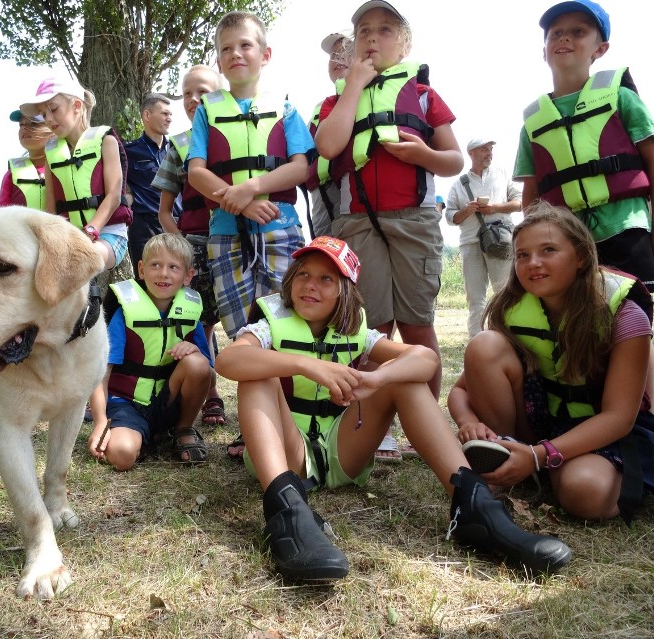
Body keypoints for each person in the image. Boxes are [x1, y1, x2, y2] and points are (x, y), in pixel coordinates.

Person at [216, 235, 572, 582]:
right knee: (256, 372)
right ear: (291, 281)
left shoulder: (355, 327)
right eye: (304, 274)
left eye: (327, 279)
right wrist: (304, 365)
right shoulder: (270, 321)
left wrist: (374, 380)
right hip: (287, 455)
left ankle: (474, 507)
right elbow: (229, 360)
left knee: (405, 378)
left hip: (344, 452)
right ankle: (286, 513)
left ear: (345, 291)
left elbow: (426, 359)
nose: (312, 285)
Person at [315, 0, 463, 463]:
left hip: (414, 220)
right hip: (357, 221)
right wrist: (354, 84)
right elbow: (329, 144)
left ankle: (427, 425)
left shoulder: (423, 93)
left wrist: (423, 156)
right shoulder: (339, 95)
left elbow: (454, 160)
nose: (372, 38)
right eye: (363, 31)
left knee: (417, 326)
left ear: (404, 42)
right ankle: (375, 426)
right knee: (371, 328)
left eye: (384, 29)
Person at [448, 203, 654, 523]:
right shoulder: (511, 311)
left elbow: (618, 418)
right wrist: (467, 422)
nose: (534, 263)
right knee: (483, 345)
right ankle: (511, 457)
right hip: (542, 425)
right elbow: (459, 392)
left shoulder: (626, 316)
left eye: (548, 250)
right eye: (522, 255)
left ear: (581, 257)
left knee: (584, 493)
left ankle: (539, 467)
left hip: (605, 432)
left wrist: (538, 456)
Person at [187, 10, 314, 343]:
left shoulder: (284, 109)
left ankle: (287, 394)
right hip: (226, 237)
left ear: (265, 54)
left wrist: (251, 189)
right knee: (243, 333)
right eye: (226, 49)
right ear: (218, 60)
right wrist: (242, 205)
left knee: (291, 326)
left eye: (245, 45)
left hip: (280, 230)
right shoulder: (206, 110)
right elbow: (196, 172)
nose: (235, 54)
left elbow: (301, 166)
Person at [515, 0, 654, 296]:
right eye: (556, 33)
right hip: (566, 241)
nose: (564, 38)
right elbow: (532, 195)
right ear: (544, 51)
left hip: (626, 229)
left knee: (636, 318)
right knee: (579, 322)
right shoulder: (532, 122)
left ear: (600, 48)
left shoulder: (621, 98)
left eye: (578, 31)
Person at [88, 233, 214, 469]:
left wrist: (194, 348)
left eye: (173, 267)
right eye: (156, 265)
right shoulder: (125, 312)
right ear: (142, 269)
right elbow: (100, 373)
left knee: (197, 362)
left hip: (168, 402)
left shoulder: (190, 311)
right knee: (122, 455)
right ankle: (137, 435)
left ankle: (183, 429)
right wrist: (100, 422)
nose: (163, 273)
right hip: (127, 404)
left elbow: (206, 372)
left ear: (188, 276)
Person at [152, 65, 226, 427]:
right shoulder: (179, 146)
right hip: (194, 245)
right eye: (186, 94)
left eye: (204, 91)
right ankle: (211, 394)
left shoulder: (237, 132)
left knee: (244, 323)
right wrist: (182, 248)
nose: (194, 100)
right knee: (202, 322)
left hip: (235, 242)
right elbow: (165, 211)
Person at [19, 76, 132, 272]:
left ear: (77, 106)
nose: (49, 119)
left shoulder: (106, 141)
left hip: (109, 235)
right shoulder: (52, 154)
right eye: (43, 114)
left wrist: (90, 230)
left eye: (53, 109)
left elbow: (114, 196)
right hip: (69, 237)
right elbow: (50, 210)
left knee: (83, 258)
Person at [446, 139, 522, 339]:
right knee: (475, 298)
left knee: (505, 292)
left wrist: (496, 207)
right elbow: (450, 217)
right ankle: (476, 343)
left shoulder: (503, 174)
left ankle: (508, 339)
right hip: (470, 243)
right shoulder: (459, 183)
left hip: (500, 241)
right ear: (471, 153)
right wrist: (468, 210)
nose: (489, 153)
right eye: (484, 150)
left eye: (491, 149)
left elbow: (519, 203)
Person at [306, 30, 352, 239]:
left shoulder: (372, 99)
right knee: (324, 261)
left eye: (346, 51)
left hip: (352, 194)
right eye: (333, 55)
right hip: (321, 199)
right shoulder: (319, 108)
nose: (337, 59)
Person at [125, 93, 178, 268]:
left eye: (170, 114)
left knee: (181, 279)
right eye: (164, 114)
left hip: (176, 224)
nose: (169, 118)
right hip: (144, 228)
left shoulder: (178, 150)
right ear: (147, 115)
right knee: (145, 280)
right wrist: (127, 195)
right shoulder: (128, 152)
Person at [0, 109, 54, 209]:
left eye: (34, 123)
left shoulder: (64, 166)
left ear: (53, 130)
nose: (24, 128)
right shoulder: (11, 175)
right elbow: (0, 215)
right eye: (21, 124)